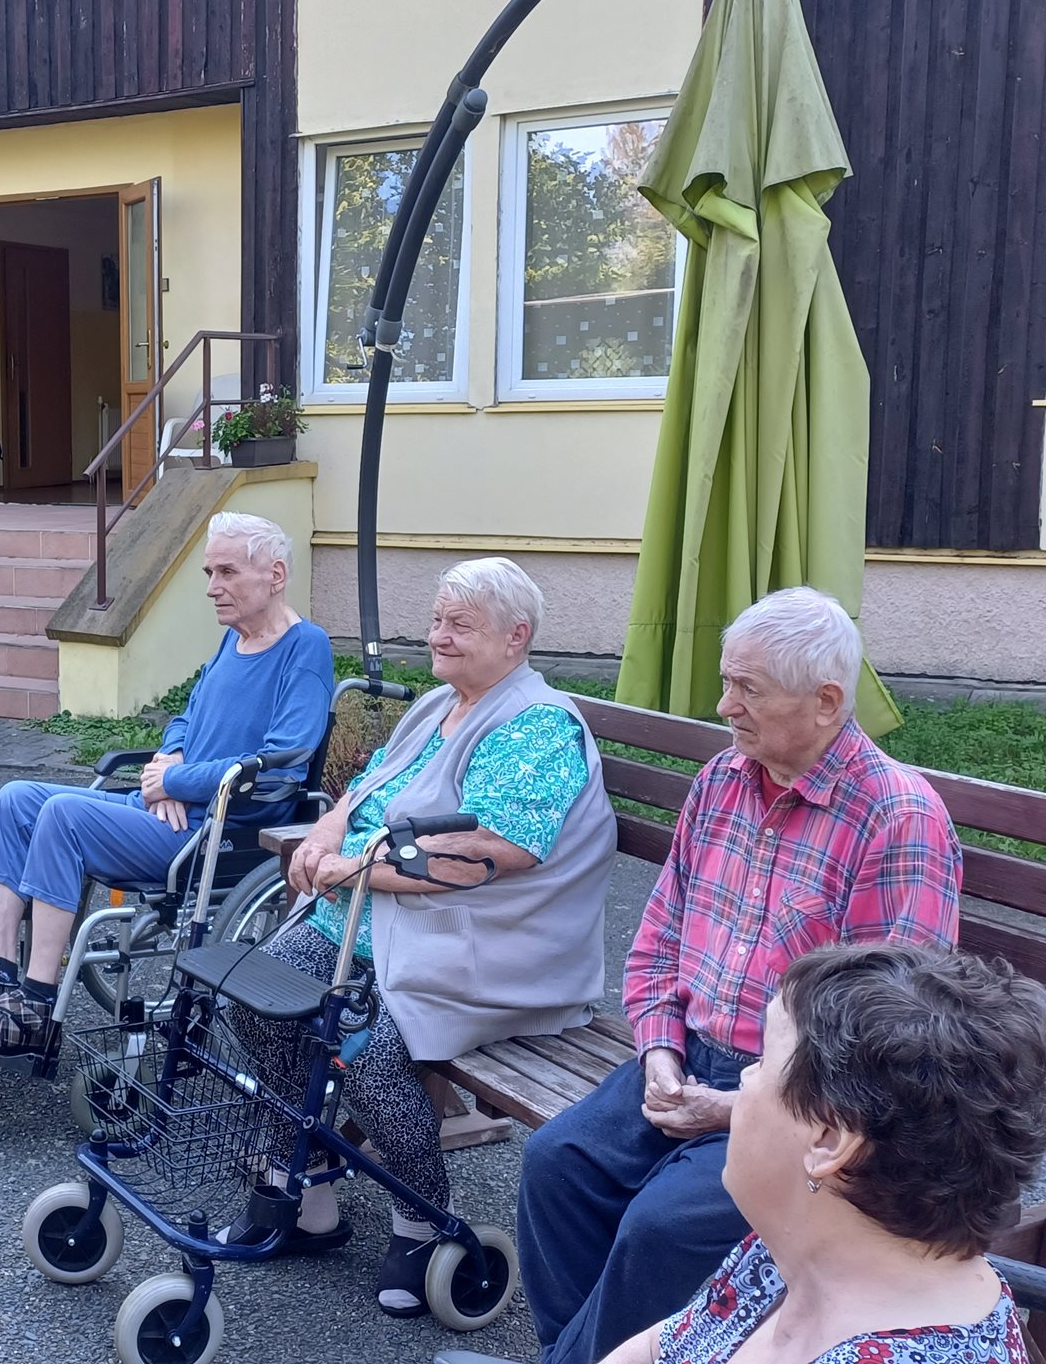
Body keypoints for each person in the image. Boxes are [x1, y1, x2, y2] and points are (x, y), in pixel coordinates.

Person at [514, 587, 963, 1364]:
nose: (725, 706)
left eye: (748, 688)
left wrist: (736, 1107)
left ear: (827, 702)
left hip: (803, 1099)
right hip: (687, 1057)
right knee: (557, 1167)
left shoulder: (897, 819)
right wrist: (660, 1053)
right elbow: (659, 937)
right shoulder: (724, 779)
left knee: (660, 1229)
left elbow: (887, 1042)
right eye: (727, 682)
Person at [226, 557, 616, 1319]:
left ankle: (422, 1222)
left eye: (459, 625)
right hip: (371, 923)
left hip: (479, 943)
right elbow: (364, 790)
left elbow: (493, 852)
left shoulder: (538, 727)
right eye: (437, 620)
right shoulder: (440, 704)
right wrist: (324, 835)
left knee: (361, 1045)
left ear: (516, 637)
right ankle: (305, 1189)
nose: (438, 636)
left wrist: (350, 871)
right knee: (260, 994)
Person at [0, 511, 334, 1063]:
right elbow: (187, 717)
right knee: (16, 799)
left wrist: (173, 781)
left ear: (275, 575)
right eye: (208, 572)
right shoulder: (232, 641)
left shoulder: (304, 648)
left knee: (63, 816)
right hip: (174, 811)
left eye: (226, 572)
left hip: (218, 834)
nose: (211, 587)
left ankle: (34, 1005)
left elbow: (281, 766)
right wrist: (170, 760)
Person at [604, 944, 1046, 1363]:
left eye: (763, 1061)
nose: (745, 1077)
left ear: (828, 1139)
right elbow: (664, 1347)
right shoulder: (798, 1249)